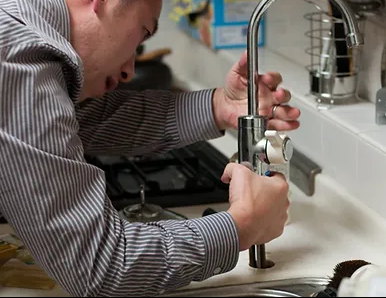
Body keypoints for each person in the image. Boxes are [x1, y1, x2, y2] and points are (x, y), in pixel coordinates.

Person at [0, 0, 301, 297]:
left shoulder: (19, 31)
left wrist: (220, 106)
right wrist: (243, 226)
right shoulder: (19, 61)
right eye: (143, 32)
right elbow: (102, 266)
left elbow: (87, 120)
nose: (130, 70)